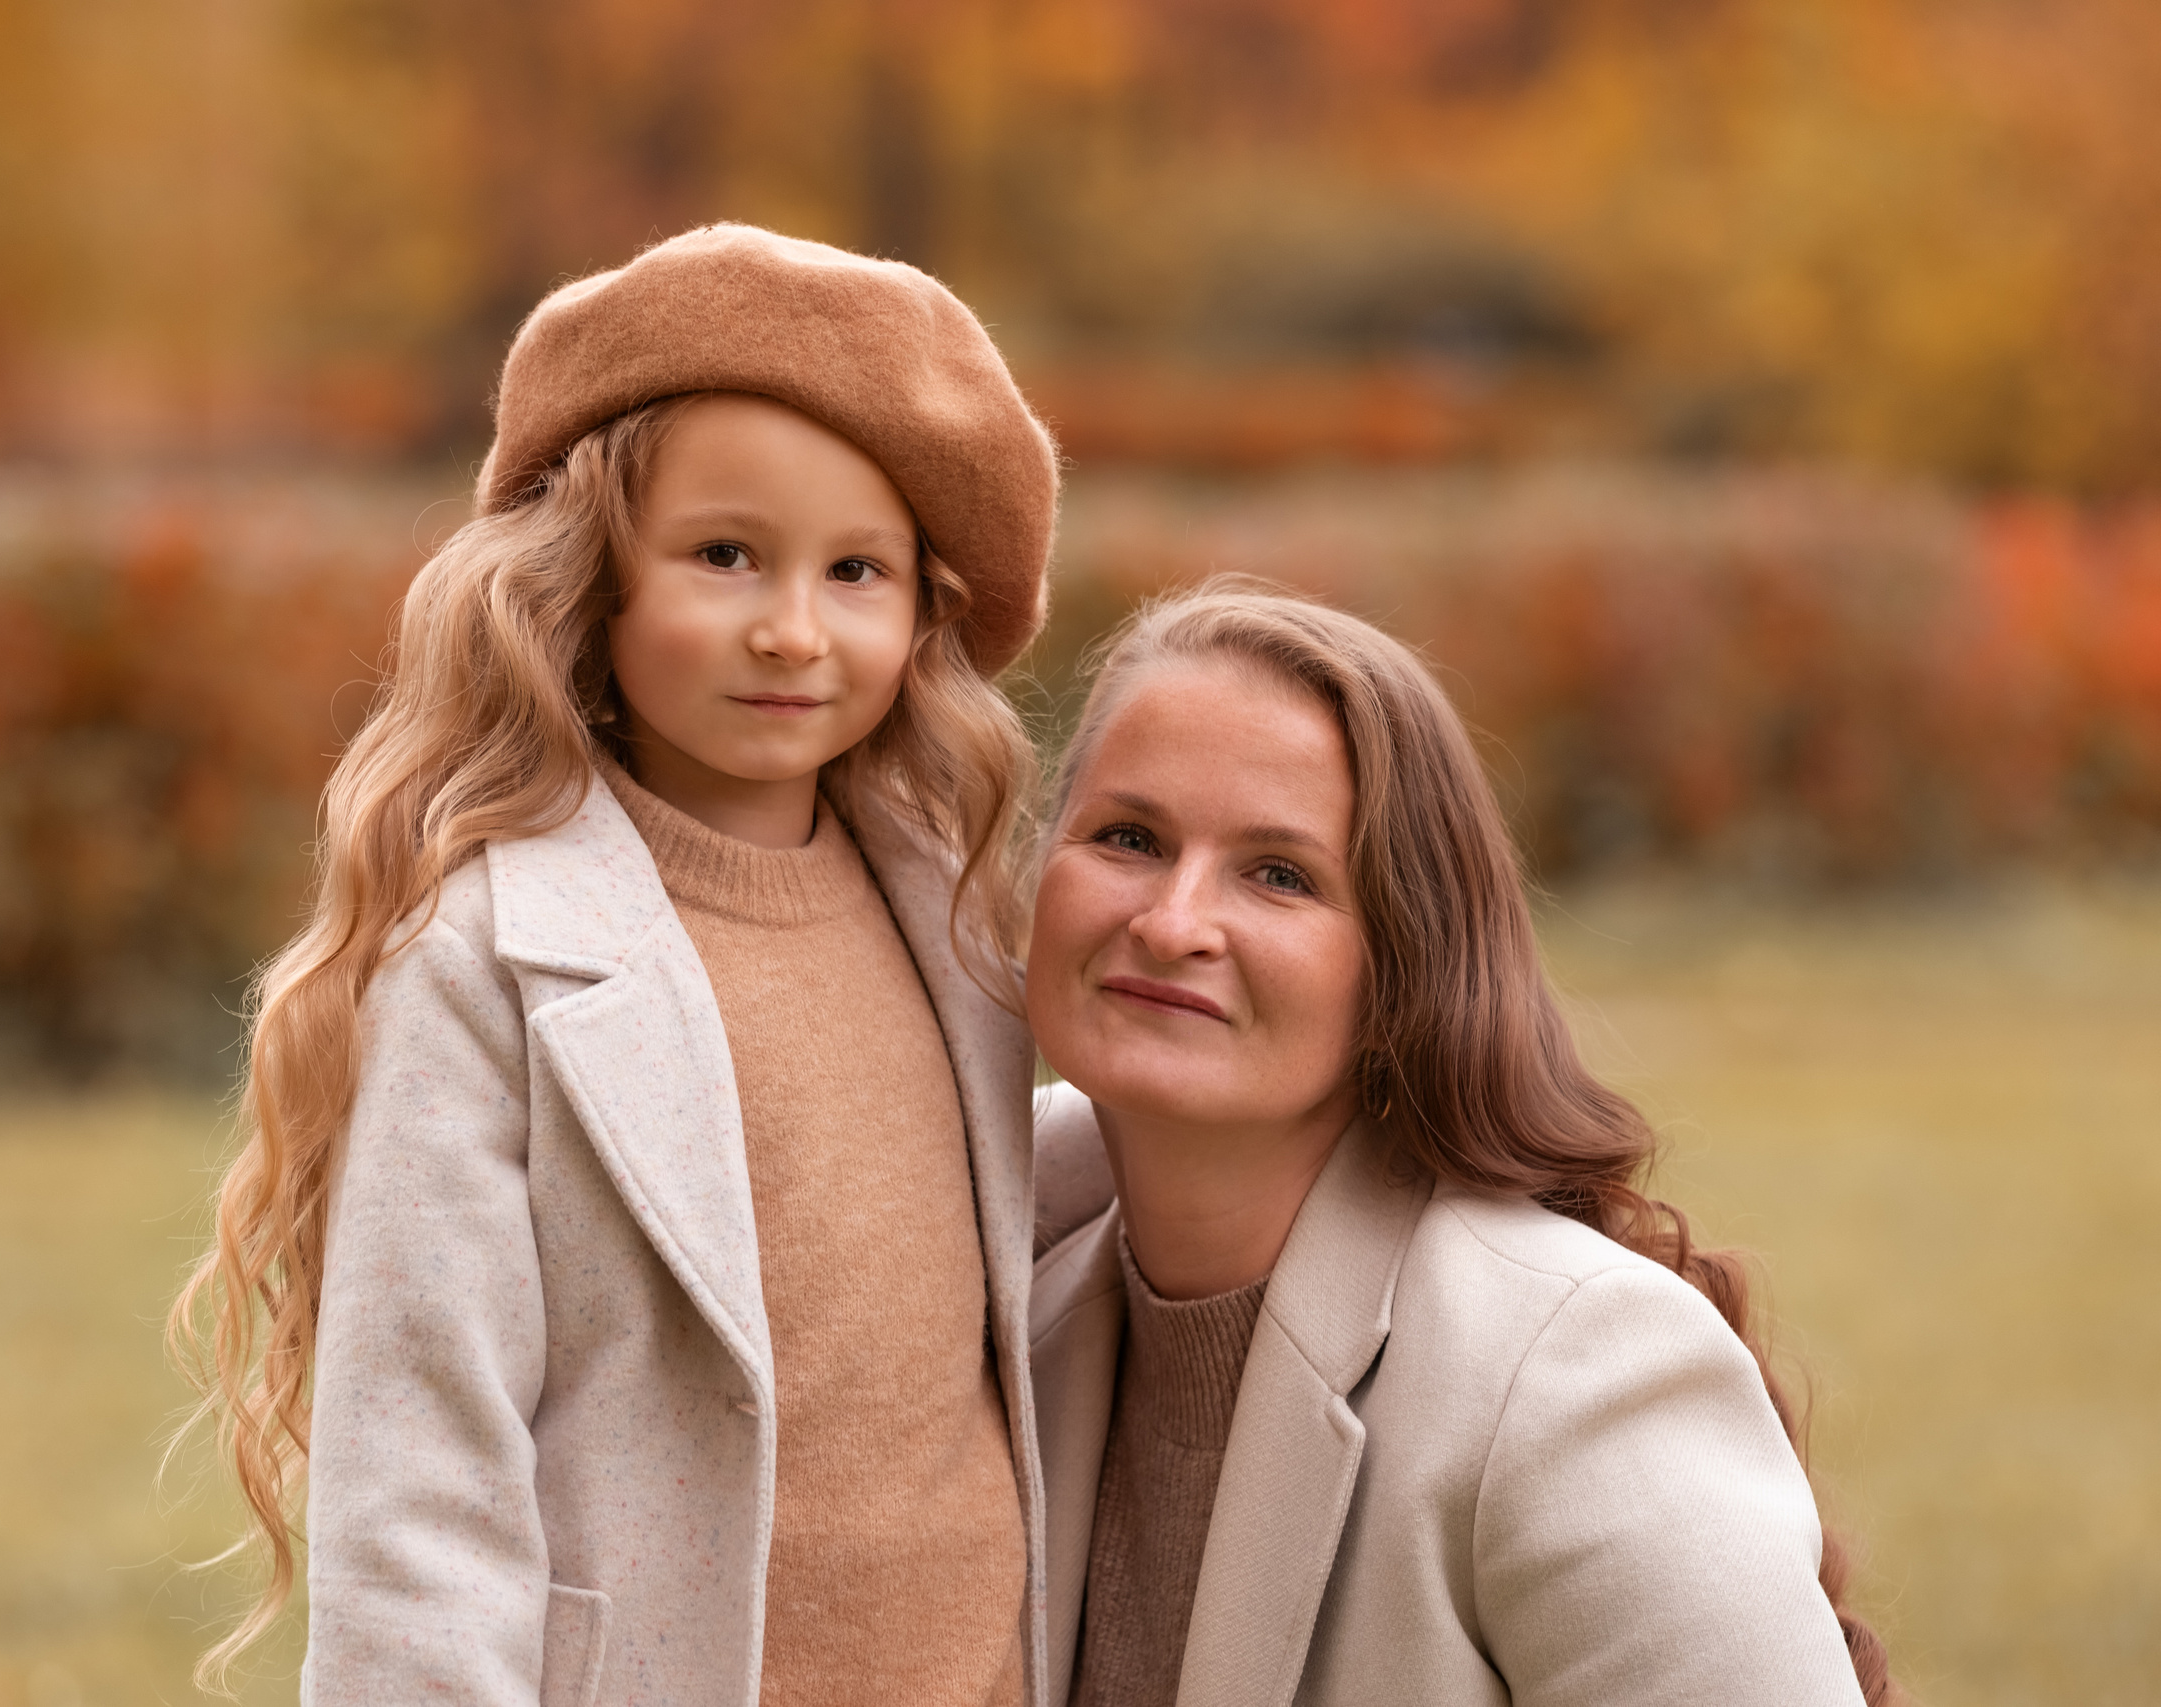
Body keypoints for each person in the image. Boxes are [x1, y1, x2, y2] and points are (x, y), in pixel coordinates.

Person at [172, 225, 1063, 1706]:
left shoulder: (961, 923)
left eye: (857, 569)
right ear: (592, 576)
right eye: (725, 555)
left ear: (924, 610)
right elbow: (423, 1481)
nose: (792, 630)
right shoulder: (479, 966)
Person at [1024, 583, 1898, 1707]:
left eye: (1280, 874)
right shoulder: (1010, 1312)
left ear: (1406, 964)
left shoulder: (1570, 1374)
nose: (1172, 921)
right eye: (1129, 838)